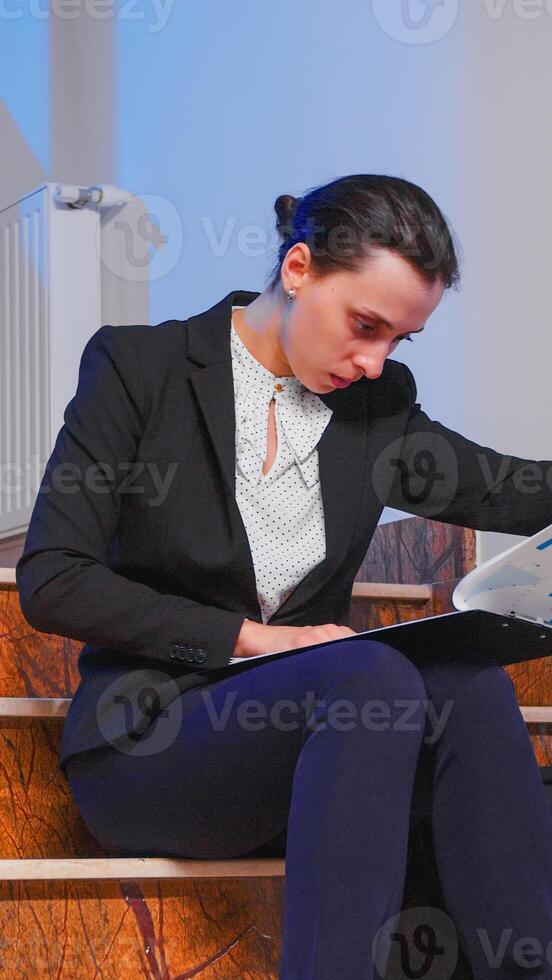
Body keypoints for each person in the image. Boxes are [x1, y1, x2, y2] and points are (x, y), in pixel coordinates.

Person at [15, 174, 552, 979]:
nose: (374, 363)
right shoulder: (142, 368)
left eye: (398, 342)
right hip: (153, 743)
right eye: (364, 326)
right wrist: (255, 638)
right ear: (298, 268)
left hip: (313, 761)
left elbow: (502, 486)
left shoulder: (375, 408)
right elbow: (54, 577)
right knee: (369, 676)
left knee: (468, 685)